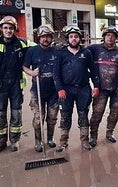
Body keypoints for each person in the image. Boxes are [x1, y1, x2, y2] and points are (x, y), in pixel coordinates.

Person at [53, 25, 100, 152]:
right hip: (66, 90)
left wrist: (96, 86)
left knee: (83, 115)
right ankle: (63, 142)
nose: (74, 39)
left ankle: (84, 140)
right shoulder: (61, 53)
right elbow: (56, 73)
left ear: (80, 38)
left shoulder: (86, 53)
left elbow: (94, 71)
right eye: (71, 36)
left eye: (76, 36)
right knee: (65, 116)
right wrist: (59, 89)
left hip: (83, 89)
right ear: (67, 39)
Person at [0, 16, 35, 152]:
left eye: (11, 28)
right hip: (0, 86)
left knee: (16, 113)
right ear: (1, 29)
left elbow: (38, 48)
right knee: (1, 115)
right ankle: (1, 141)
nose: (8, 30)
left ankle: (14, 140)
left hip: (16, 85)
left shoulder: (22, 44)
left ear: (14, 29)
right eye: (5, 28)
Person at [23, 24, 59, 152]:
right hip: (37, 90)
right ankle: (38, 140)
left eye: (48, 36)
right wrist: (32, 73)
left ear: (51, 37)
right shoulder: (32, 51)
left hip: (53, 92)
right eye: (43, 36)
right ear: (39, 38)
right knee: (38, 118)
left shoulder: (56, 51)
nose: (46, 39)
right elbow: (25, 66)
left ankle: (50, 138)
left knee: (52, 117)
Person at [87, 25, 118, 147]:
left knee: (114, 113)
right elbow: (80, 55)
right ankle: (93, 136)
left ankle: (109, 133)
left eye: (113, 36)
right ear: (104, 37)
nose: (110, 37)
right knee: (97, 112)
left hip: (117, 88)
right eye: (108, 35)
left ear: (116, 38)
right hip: (101, 88)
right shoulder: (94, 49)